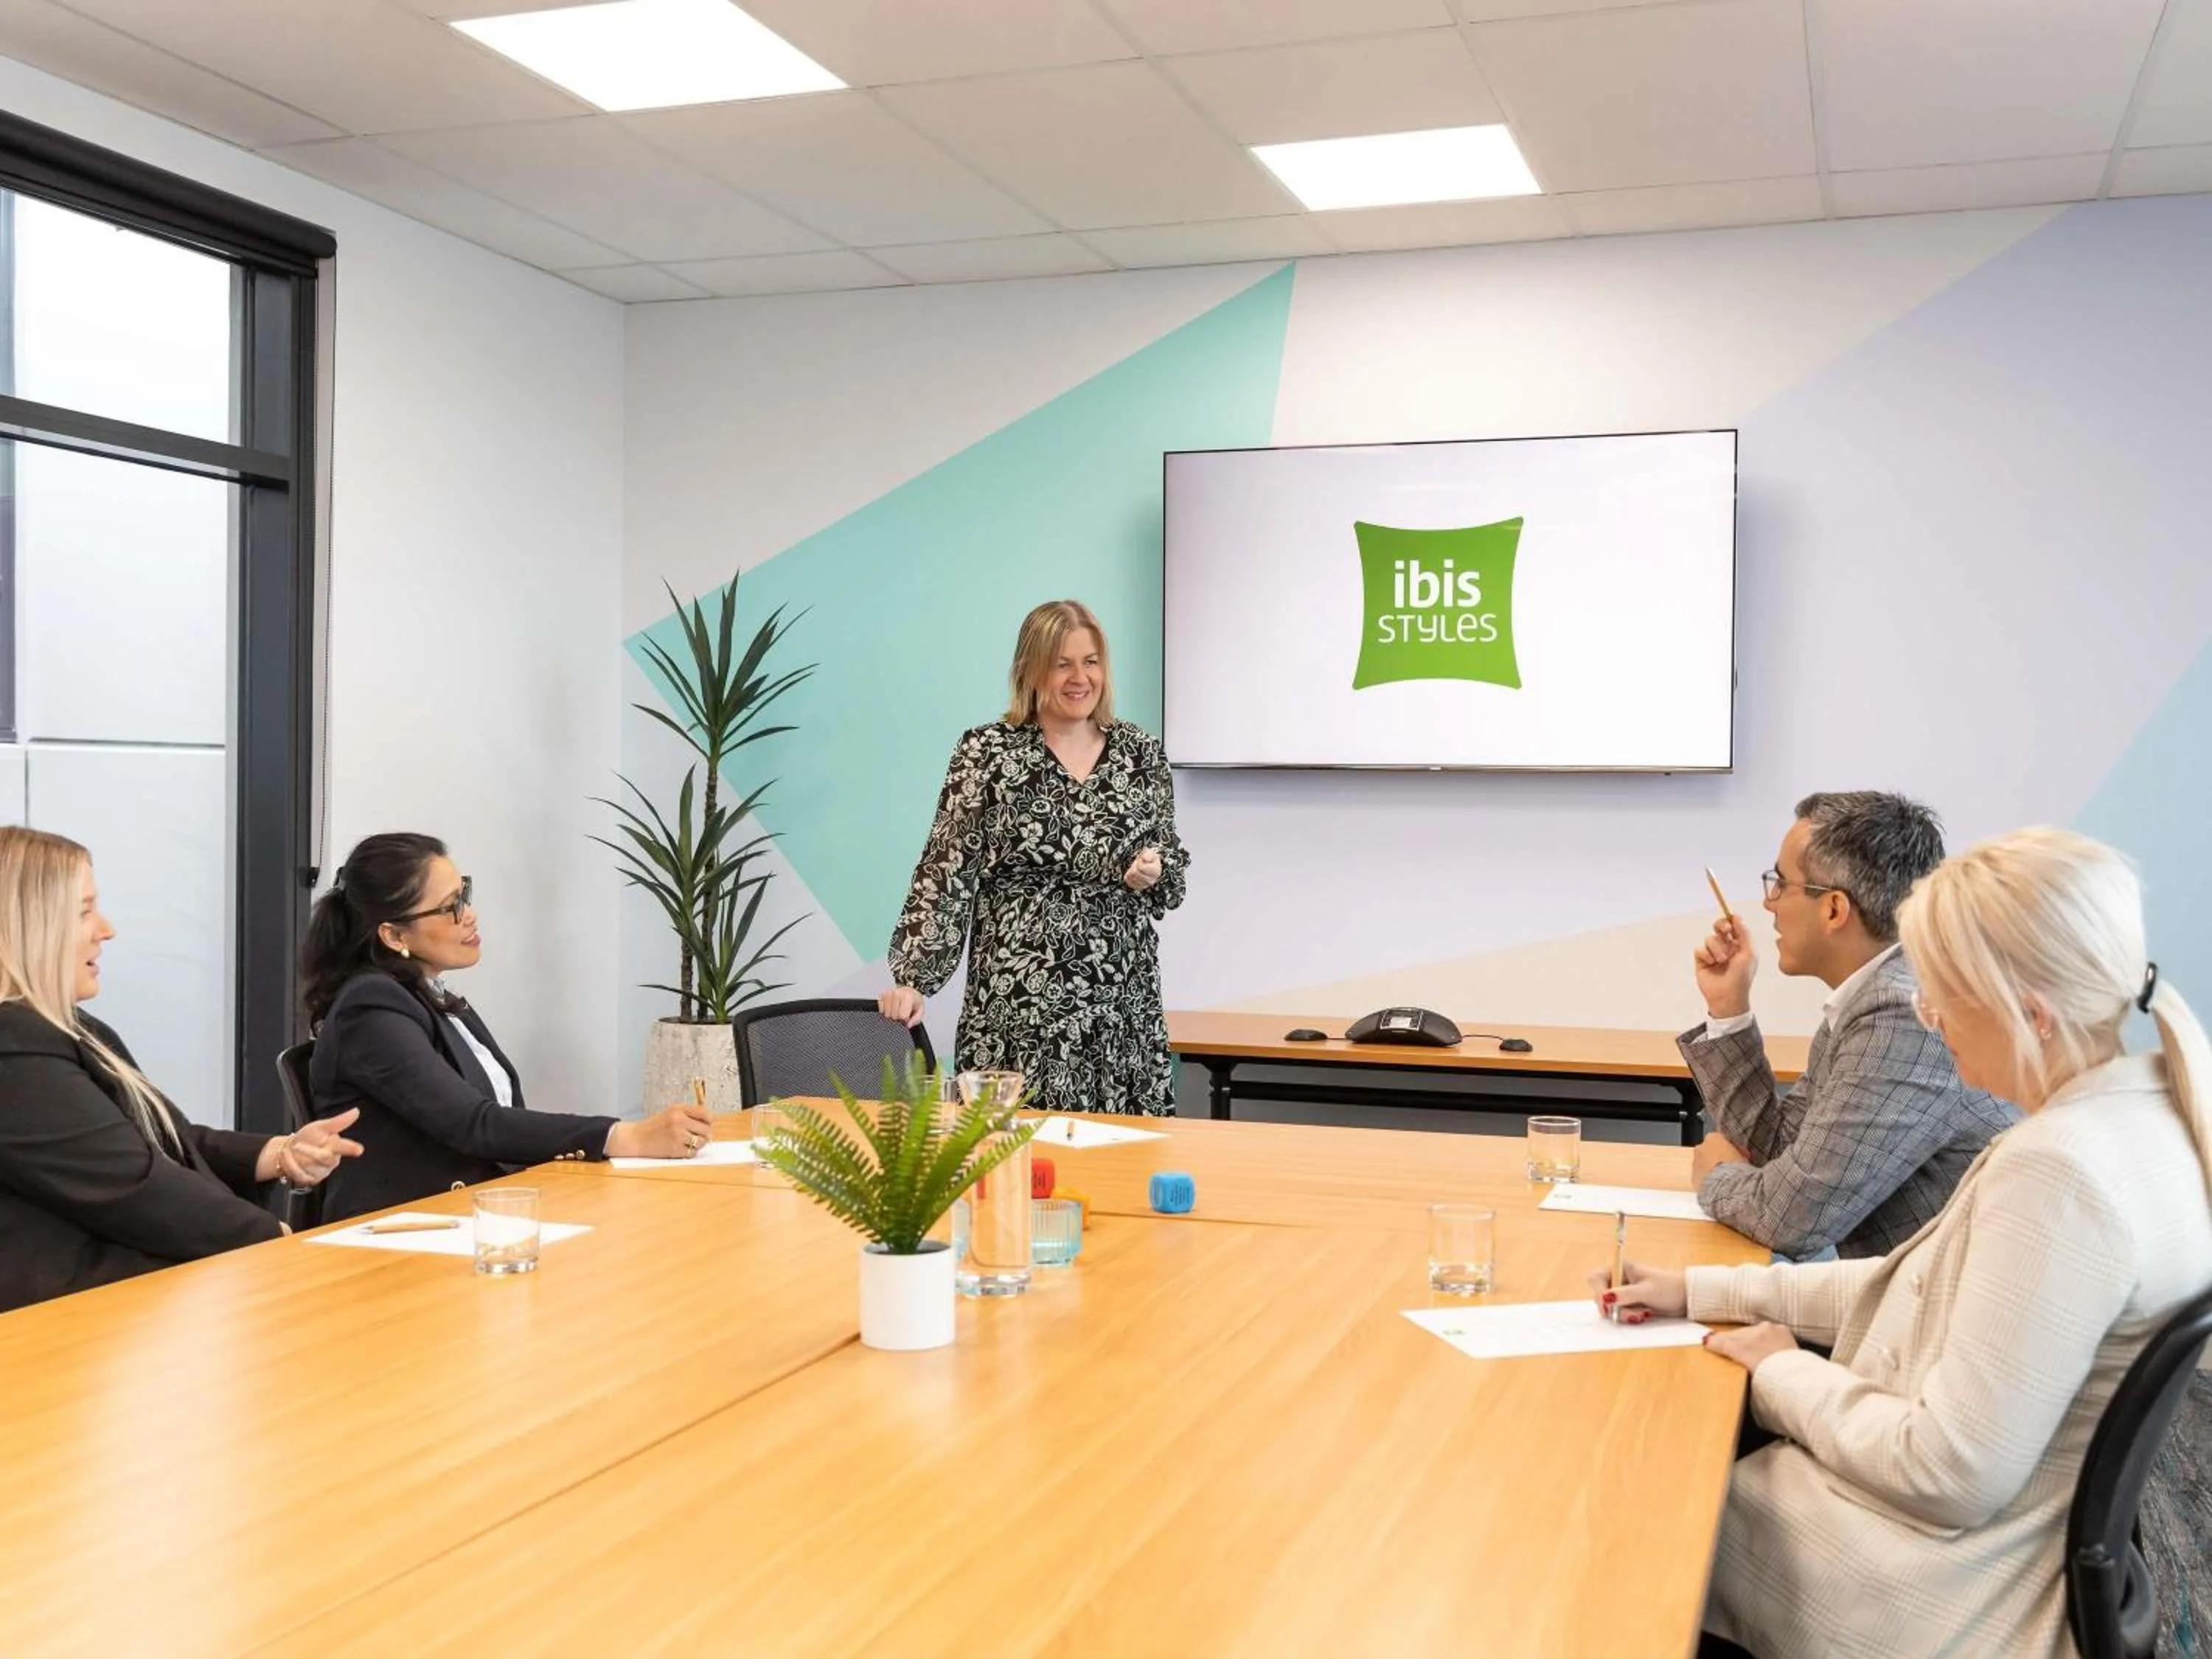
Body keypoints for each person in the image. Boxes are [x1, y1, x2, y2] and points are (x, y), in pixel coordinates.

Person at [1601, 829, 2212, 1658]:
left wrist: (1781, 1370)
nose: (1927, 1017)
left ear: (2027, 1011)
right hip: (1992, 1554)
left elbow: (1945, 1473)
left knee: (1624, 1502)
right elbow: (1909, 1281)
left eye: (1942, 994)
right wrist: (1702, 1291)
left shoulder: (2060, 1174)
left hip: (1937, 1592)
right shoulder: (2143, 1119)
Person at [0, 827, 360, 1313]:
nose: (106, 929)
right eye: (84, 911)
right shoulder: (14, 1049)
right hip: (69, 1325)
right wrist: (274, 1241)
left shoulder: (66, 1026)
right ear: (28, 926)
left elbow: (156, 1138)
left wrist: (276, 1153)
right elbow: (131, 1183)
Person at [878, 599, 1189, 1115]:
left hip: (1120, 1003)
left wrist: (1153, 873)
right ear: (1031, 669)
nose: (1079, 677)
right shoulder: (989, 752)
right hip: (1021, 1003)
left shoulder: (1141, 753)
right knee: (1014, 1168)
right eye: (1062, 663)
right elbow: (947, 868)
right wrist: (914, 978)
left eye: (1090, 661)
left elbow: (1172, 865)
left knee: (1123, 1166)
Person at [303, 834, 712, 1222]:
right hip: (406, 1237)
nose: (470, 915)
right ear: (393, 935)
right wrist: (626, 1137)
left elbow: (497, 1117)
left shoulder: (427, 994)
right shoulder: (371, 1008)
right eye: (451, 908)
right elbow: (474, 1124)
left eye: (464, 894)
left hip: (476, 1213)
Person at [1684, 791, 2017, 1258]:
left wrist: (1717, 1176)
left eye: (1780, 883)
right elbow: (1779, 1151)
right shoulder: (1874, 995)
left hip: (1934, 1318)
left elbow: (1790, 1219)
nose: (1769, 903)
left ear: (1834, 909)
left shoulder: (1905, 1015)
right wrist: (1729, 1007)